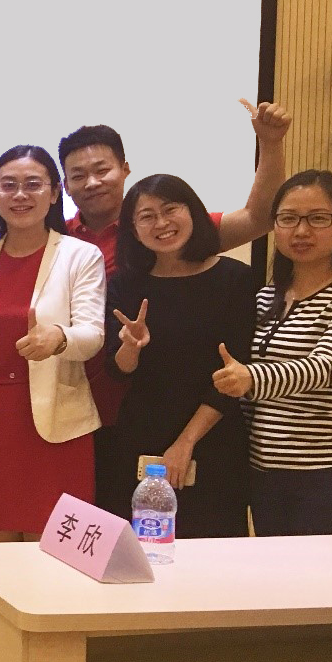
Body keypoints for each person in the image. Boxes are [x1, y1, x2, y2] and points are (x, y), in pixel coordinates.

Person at [0, 145, 105, 542]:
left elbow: (93, 336)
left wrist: (60, 337)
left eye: (33, 184)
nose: (20, 195)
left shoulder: (80, 255)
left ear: (54, 193)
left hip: (60, 426)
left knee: (56, 558)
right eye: (8, 185)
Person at [212, 171, 332, 535]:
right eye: (288, 219)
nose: (301, 231)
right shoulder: (264, 298)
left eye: (318, 218)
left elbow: (323, 367)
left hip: (329, 477)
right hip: (264, 475)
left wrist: (250, 378)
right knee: (275, 572)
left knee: (328, 575)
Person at [97, 174, 257, 536]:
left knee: (213, 552)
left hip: (214, 439)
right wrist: (130, 347)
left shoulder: (235, 279)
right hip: (141, 438)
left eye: (170, 210)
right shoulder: (125, 284)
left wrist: (185, 443)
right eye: (147, 216)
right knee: (142, 551)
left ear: (193, 212)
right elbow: (118, 370)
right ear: (134, 229)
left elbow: (235, 374)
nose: (161, 223)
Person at [58, 100, 292, 274]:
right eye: (78, 176)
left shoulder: (167, 226)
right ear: (66, 186)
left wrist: (270, 143)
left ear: (125, 169)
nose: (92, 183)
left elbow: (259, 219)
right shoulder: (55, 237)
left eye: (101, 171)